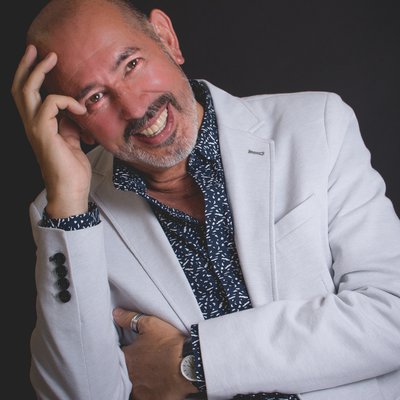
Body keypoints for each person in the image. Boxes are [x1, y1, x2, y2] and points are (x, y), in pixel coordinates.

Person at [11, 0, 400, 399]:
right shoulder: (67, 213)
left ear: (166, 38)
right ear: (76, 125)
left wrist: (194, 363)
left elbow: (392, 315)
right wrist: (69, 211)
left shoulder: (316, 126)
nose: (135, 107)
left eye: (131, 65)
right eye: (94, 98)